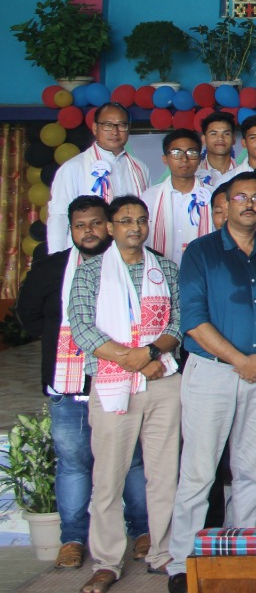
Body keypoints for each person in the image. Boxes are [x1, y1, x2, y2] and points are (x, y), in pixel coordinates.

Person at [167, 172, 256, 593]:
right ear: (225, 205)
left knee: (249, 469)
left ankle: (247, 552)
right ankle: (183, 563)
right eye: (241, 197)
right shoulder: (201, 252)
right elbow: (193, 320)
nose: (250, 203)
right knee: (199, 472)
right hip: (213, 373)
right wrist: (240, 361)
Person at [18, 197, 148, 572]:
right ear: (71, 230)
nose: (88, 231)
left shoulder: (135, 263)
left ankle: (142, 532)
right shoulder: (50, 268)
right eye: (80, 226)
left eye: (95, 223)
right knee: (74, 464)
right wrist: (63, 342)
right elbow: (28, 316)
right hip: (69, 383)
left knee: (132, 460)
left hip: (122, 379)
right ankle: (73, 539)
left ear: (109, 226)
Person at [68, 195, 181, 593]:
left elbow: (178, 322)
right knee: (108, 478)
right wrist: (134, 360)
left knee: (164, 475)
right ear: (110, 228)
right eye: (126, 220)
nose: (135, 227)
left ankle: (163, 552)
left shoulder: (165, 269)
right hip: (113, 384)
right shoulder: (90, 272)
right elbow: (82, 328)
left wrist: (149, 354)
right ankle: (107, 561)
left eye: (141, 220)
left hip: (163, 382)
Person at [47, 102, 149, 253]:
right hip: (87, 253)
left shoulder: (140, 168)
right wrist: (56, 257)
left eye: (121, 125)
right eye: (108, 125)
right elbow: (59, 216)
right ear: (95, 128)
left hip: (130, 252)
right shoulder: (74, 167)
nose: (115, 132)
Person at [142, 130, 212, 265]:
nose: (184, 159)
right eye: (176, 153)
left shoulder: (212, 195)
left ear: (199, 158)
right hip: (160, 270)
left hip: (202, 271)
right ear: (165, 159)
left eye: (191, 153)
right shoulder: (150, 197)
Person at [196, 113, 245, 187]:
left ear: (234, 139)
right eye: (214, 134)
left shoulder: (244, 172)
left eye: (226, 133)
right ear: (203, 139)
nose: (220, 138)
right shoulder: (194, 174)